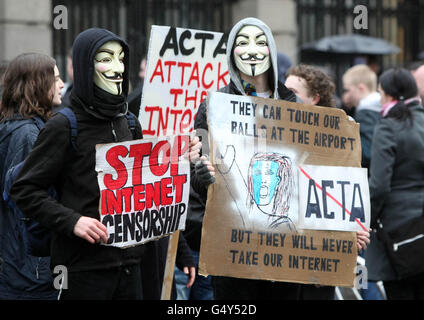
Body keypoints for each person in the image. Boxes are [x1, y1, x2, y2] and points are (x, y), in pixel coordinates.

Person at [10, 28, 202, 300]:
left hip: (131, 268)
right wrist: (72, 221)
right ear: (86, 66)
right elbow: (25, 189)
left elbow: (151, 194)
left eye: (121, 59)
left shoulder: (129, 123)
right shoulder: (64, 126)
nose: (117, 67)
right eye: (106, 58)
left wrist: (180, 250)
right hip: (83, 270)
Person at [0, 52, 64, 299]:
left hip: (21, 268)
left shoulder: (18, 126)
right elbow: (27, 203)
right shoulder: (28, 135)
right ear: (37, 85)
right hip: (30, 272)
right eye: (55, 78)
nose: (61, 84)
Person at [364, 68, 424, 300]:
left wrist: (366, 221)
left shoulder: (389, 125)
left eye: (380, 93)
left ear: (389, 95)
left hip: (400, 233)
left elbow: (379, 186)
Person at [342, 65, 381, 170]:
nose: (346, 95)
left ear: (361, 88)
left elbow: (366, 152)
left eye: (348, 90)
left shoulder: (366, 113)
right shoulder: (377, 109)